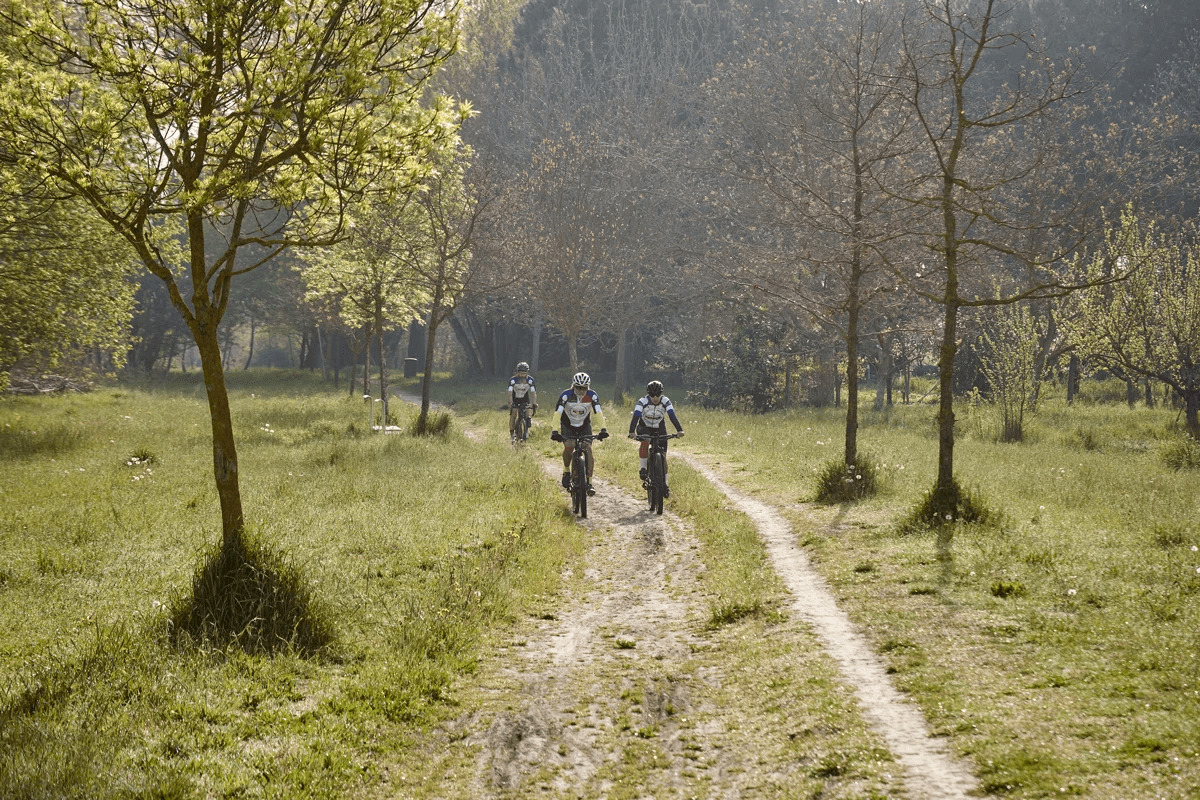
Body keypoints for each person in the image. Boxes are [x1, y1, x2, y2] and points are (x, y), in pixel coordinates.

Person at [627, 380, 684, 497]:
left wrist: (679, 430)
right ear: (648, 394)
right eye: (652, 395)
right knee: (646, 440)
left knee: (663, 457)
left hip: (659, 428)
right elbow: (636, 416)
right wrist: (632, 431)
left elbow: (672, 416)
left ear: (661, 393)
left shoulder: (666, 401)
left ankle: (665, 485)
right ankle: (643, 468)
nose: (655, 398)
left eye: (657, 394)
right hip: (644, 427)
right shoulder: (642, 401)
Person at [553, 371, 607, 495]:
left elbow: (598, 413)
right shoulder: (566, 395)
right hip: (567, 425)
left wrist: (603, 429)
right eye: (578, 388)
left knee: (588, 448)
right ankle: (567, 470)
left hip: (584, 425)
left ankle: (589, 483)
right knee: (569, 446)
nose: (581, 391)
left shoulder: (592, 395)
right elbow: (557, 414)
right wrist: (555, 431)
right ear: (573, 386)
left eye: (584, 388)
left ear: (588, 387)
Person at [507, 361, 538, 441]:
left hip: (525, 398)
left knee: (527, 414)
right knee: (513, 415)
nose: (522, 375)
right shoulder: (513, 380)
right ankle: (512, 434)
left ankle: (526, 430)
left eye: (524, 373)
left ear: (527, 372)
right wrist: (510, 403)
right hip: (515, 398)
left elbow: (533, 393)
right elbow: (510, 393)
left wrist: (534, 403)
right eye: (520, 373)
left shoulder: (530, 380)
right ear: (517, 372)